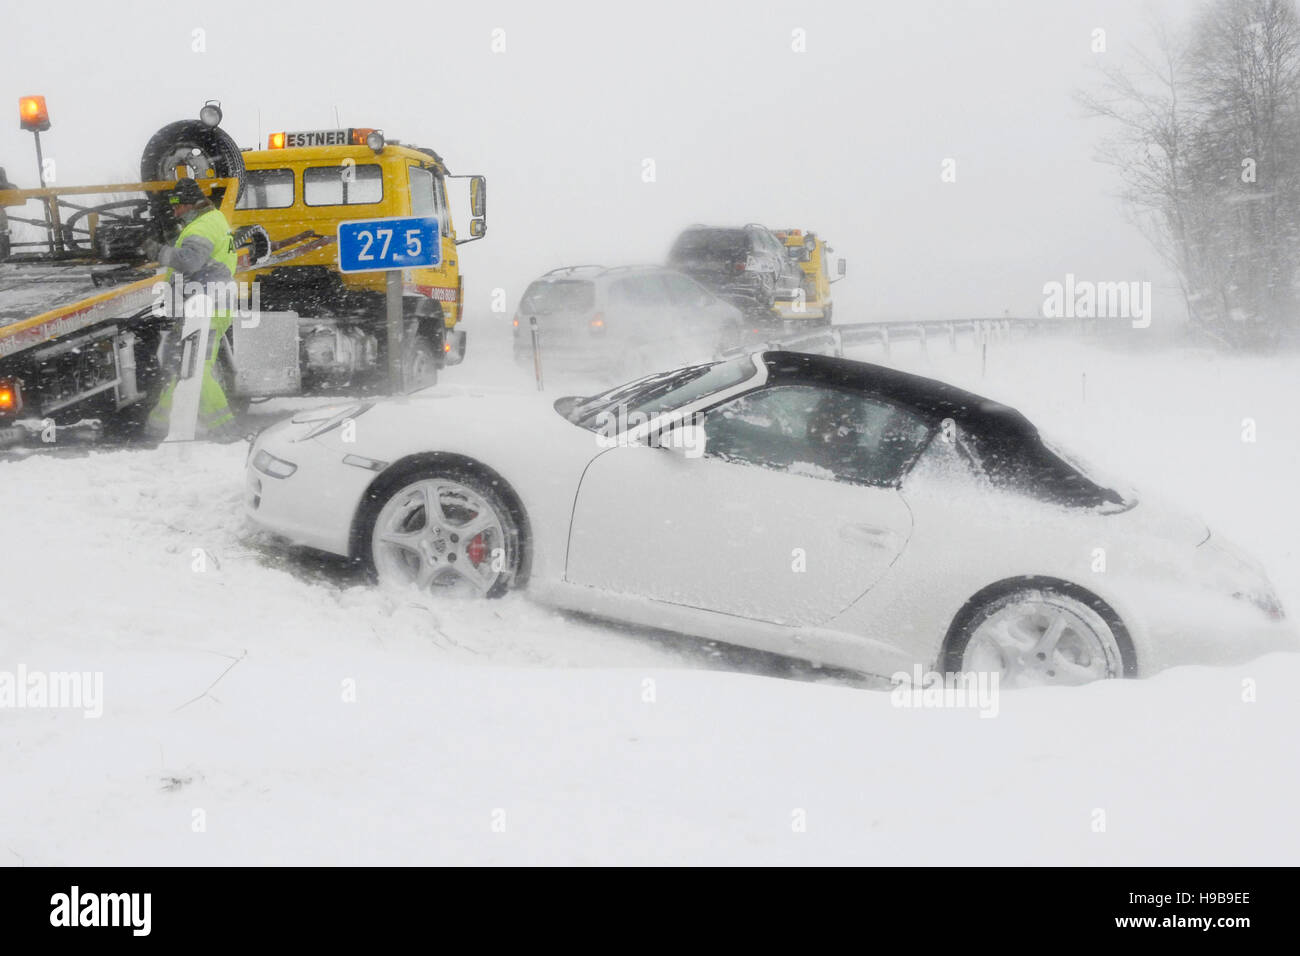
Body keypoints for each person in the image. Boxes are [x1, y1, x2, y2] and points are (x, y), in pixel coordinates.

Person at [143, 179, 240, 440]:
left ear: (188, 205)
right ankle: (158, 425)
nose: (174, 213)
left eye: (177, 208)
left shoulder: (204, 225)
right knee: (181, 368)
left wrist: (157, 251)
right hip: (208, 305)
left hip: (204, 308)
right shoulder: (213, 220)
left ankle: (226, 430)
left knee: (195, 370)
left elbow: (190, 260)